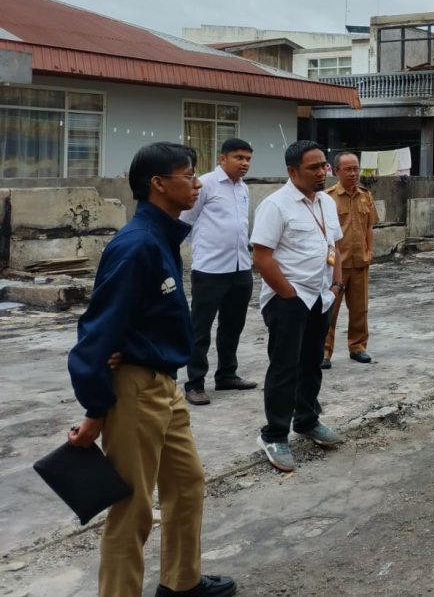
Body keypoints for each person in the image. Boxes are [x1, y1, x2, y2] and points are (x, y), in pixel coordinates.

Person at [66, 142, 236, 597]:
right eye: (189, 175)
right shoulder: (136, 244)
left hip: (165, 383)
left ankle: (181, 582)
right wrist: (96, 410)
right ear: (159, 184)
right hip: (136, 390)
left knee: (187, 483)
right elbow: (97, 331)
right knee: (132, 507)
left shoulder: (161, 236)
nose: (197, 184)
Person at [251, 140, 345, 472]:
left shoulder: (326, 202)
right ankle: (274, 434)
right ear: (292, 171)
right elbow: (261, 257)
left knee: (311, 363)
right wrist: (288, 294)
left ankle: (307, 419)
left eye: (324, 166)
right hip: (288, 300)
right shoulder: (275, 205)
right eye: (313, 167)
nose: (322, 172)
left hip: (321, 296)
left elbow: (333, 246)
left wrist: (336, 284)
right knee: (284, 367)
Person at [180, 138, 258, 406]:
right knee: (200, 328)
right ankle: (194, 383)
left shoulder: (243, 188)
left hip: (241, 267)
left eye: (248, 159)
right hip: (210, 269)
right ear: (222, 158)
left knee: (232, 325)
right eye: (238, 157)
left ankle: (226, 374)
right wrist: (205, 247)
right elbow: (185, 222)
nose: (244, 163)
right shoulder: (205, 184)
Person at [322, 151, 378, 369]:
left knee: (360, 310)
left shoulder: (366, 196)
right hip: (337, 265)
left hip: (360, 263)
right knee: (329, 309)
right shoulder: (327, 198)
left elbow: (369, 227)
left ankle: (358, 347)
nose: (353, 173)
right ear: (337, 171)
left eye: (356, 169)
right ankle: (324, 351)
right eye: (348, 169)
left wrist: (369, 252)